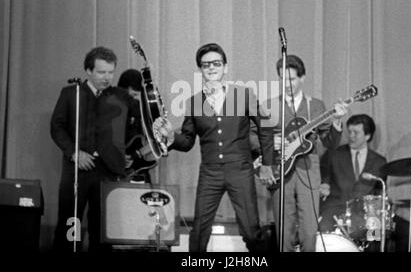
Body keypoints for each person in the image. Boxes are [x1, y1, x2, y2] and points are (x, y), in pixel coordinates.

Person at [153, 43, 275, 252]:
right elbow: (188, 141)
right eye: (205, 64)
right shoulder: (194, 102)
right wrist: (171, 136)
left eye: (216, 63)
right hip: (210, 172)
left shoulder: (242, 94)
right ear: (200, 69)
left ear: (225, 67)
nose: (211, 68)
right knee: (199, 230)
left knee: (251, 231)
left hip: (240, 170)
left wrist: (267, 164)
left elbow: (266, 128)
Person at [255, 54, 348, 252]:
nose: (287, 84)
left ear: (302, 78)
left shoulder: (315, 106)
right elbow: (253, 138)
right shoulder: (269, 106)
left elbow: (330, 142)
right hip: (281, 170)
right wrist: (272, 142)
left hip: (308, 169)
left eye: (292, 79)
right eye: (283, 78)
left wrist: (337, 121)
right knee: (284, 231)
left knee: (309, 230)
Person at [50, 46, 139, 252]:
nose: (107, 77)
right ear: (88, 71)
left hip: (108, 170)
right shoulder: (72, 94)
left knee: (102, 229)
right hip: (77, 170)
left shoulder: (121, 97)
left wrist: (125, 149)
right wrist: (73, 152)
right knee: (70, 224)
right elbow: (57, 127)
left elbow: (140, 122)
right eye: (101, 72)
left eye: (110, 72)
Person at [319, 113, 411, 252]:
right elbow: (323, 179)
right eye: (349, 131)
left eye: (356, 132)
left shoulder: (379, 161)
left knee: (405, 229)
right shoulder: (333, 154)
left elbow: (379, 192)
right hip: (337, 210)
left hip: (366, 214)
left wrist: (386, 203)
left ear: (367, 136)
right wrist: (323, 185)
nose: (351, 136)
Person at [117, 68, 157, 183]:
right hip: (115, 170)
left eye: (137, 96)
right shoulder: (110, 108)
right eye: (132, 95)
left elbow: (143, 138)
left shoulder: (140, 109)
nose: (134, 100)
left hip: (138, 170)